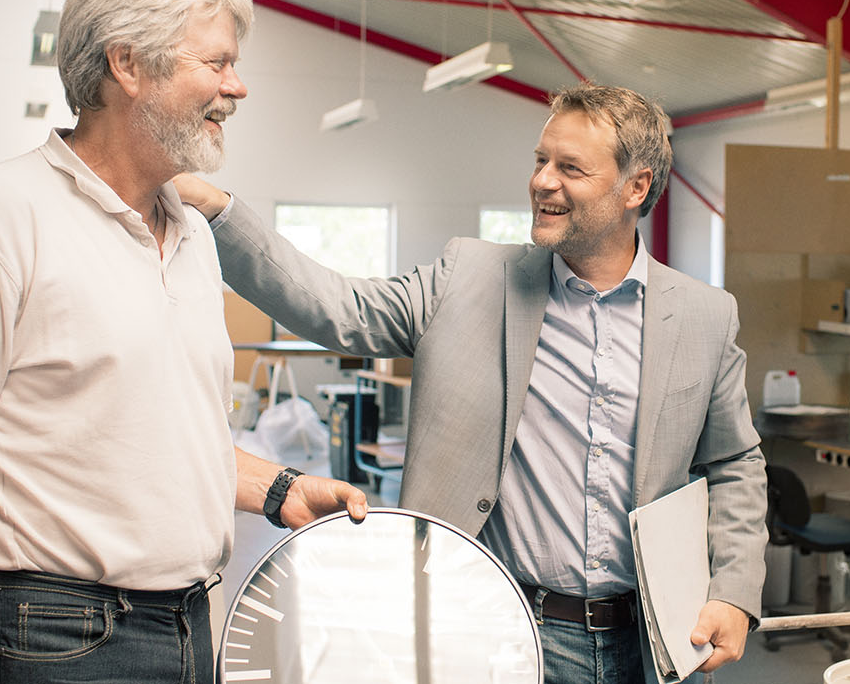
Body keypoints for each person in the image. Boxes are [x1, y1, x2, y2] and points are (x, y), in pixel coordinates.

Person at [0, 0, 367, 684]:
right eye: (218, 62)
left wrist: (277, 489)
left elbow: (141, 432)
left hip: (188, 622)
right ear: (128, 64)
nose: (237, 86)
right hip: (50, 637)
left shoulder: (189, 234)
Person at [177, 84, 767, 682]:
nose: (542, 182)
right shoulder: (468, 278)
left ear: (635, 188)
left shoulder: (704, 315)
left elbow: (735, 462)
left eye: (570, 168)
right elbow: (338, 308)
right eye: (541, 160)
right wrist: (216, 208)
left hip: (650, 641)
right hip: (494, 630)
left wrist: (733, 590)